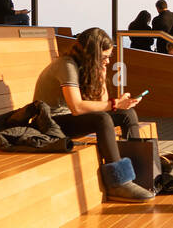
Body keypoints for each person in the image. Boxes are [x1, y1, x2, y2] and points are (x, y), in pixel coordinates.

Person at [32, 27, 151, 201]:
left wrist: (104, 80)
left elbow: (100, 102)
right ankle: (119, 183)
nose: (108, 61)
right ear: (92, 54)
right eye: (104, 57)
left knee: (128, 114)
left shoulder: (87, 66)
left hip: (69, 119)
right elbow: (77, 107)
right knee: (101, 120)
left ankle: (138, 172)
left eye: (109, 57)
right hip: (51, 123)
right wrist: (114, 104)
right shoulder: (66, 65)